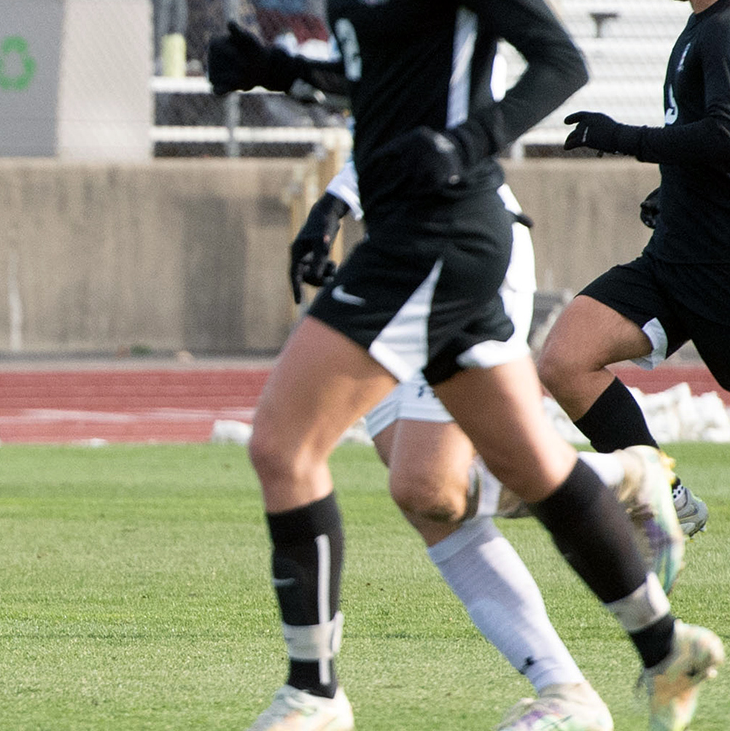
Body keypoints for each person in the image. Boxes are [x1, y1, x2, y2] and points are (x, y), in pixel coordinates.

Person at [206, 0, 721, 731]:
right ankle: (666, 648)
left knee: (283, 442)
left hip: (441, 238)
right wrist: (279, 69)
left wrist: (472, 140)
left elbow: (559, 58)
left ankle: (315, 697)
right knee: (511, 474)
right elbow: (387, 89)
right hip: (423, 232)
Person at [291, 164, 686, 731]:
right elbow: (373, 108)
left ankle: (310, 690)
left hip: (463, 243)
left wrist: (332, 203)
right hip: (396, 250)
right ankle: (567, 690)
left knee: (420, 483)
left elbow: (530, 80)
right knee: (424, 493)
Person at [536, 0, 730, 541]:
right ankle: (663, 492)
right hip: (674, 259)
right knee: (564, 358)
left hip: (719, 267)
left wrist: (620, 138)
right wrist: (672, 186)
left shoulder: (724, 32)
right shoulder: (700, 29)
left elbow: (725, 135)